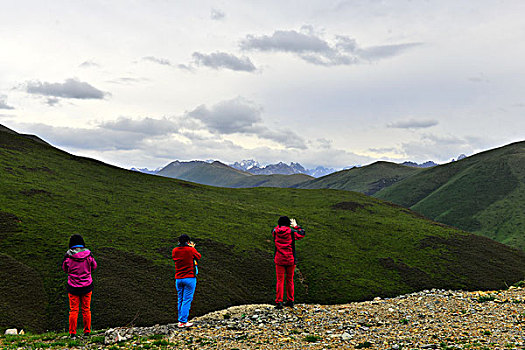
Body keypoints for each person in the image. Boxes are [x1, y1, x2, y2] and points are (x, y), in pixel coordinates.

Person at [62, 234, 97, 338]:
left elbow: (65, 269)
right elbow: (94, 266)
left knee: (73, 310)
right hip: (87, 286)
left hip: (73, 287)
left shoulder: (68, 256)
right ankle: (87, 332)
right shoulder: (88, 255)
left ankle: (72, 333)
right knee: (86, 309)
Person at [272, 216, 306, 309]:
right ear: (288, 224)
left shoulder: (275, 231)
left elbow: (276, 230)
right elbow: (302, 233)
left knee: (280, 281)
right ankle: (290, 301)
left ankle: (279, 302)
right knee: (290, 280)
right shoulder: (291, 232)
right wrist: (295, 226)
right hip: (290, 259)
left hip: (279, 259)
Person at [172, 234, 201, 327]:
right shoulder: (190, 250)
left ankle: (180, 320)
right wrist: (192, 247)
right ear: (188, 242)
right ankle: (183, 321)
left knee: (180, 299)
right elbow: (198, 256)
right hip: (189, 277)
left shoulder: (175, 250)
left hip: (178, 278)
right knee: (187, 299)